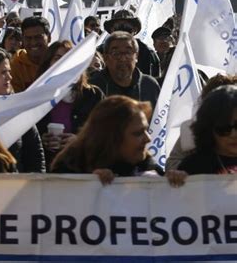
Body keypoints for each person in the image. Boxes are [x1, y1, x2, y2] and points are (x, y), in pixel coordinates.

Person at [51, 96, 186, 187]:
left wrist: (173, 181)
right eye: (137, 133)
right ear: (112, 138)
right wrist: (88, 184)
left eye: (146, 130)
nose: (148, 139)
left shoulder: (144, 163)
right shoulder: (70, 164)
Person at [36, 41, 104, 169]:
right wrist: (40, 139)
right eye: (58, 58)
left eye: (68, 59)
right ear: (48, 64)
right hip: (46, 171)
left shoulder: (93, 95)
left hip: (81, 170)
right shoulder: (36, 96)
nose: (64, 63)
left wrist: (79, 141)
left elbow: (105, 134)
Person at [90, 31, 161, 108]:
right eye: (116, 53)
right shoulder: (93, 87)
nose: (123, 59)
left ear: (136, 56)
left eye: (128, 53)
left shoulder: (149, 86)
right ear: (105, 58)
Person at [178, 85, 237, 174]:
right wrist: (174, 180)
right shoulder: (192, 166)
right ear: (209, 129)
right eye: (223, 128)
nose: (233, 134)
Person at [102, 9, 161, 78]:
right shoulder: (101, 51)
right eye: (118, 27)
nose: (122, 32)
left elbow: (156, 82)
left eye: (127, 27)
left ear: (135, 30)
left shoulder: (147, 52)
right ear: (112, 30)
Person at [10, 16, 51, 92]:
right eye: (28, 38)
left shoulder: (59, 60)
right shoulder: (15, 65)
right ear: (22, 39)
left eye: (38, 37)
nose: (33, 42)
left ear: (49, 37)